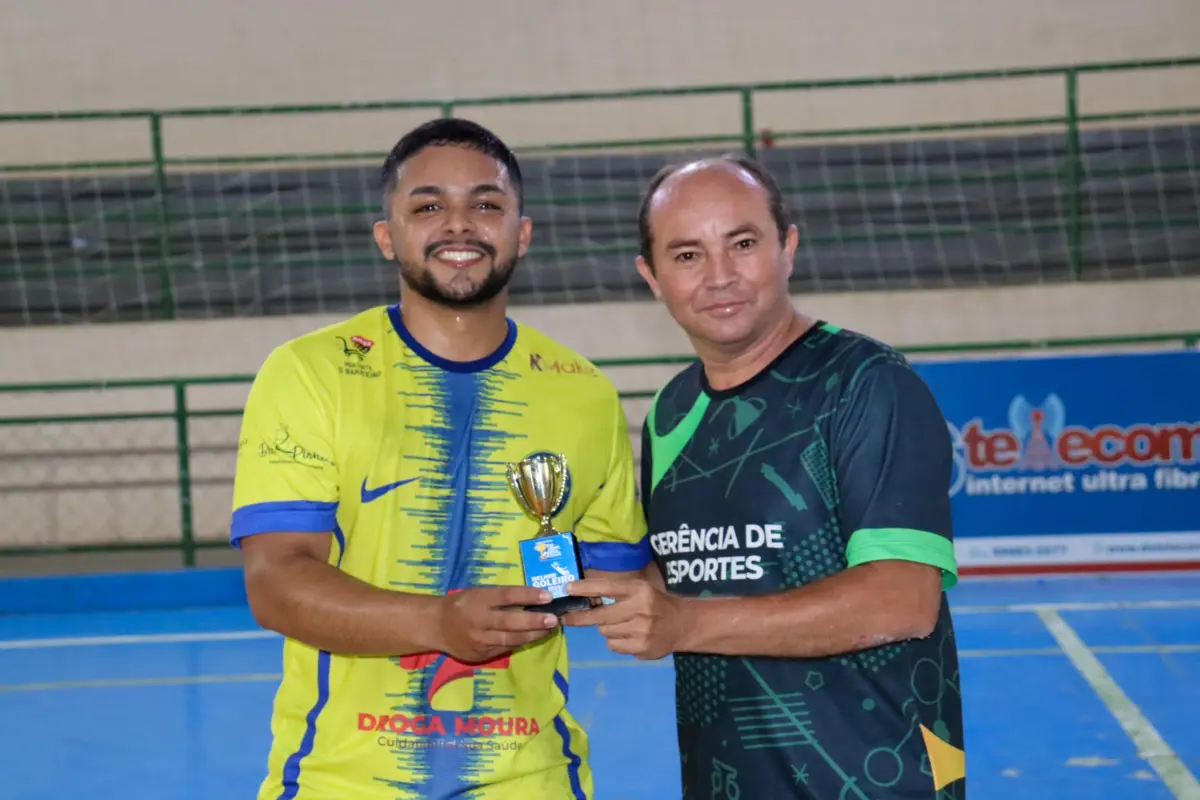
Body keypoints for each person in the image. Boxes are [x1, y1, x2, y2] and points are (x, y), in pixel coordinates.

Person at [230, 117, 651, 800]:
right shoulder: (309, 372)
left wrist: (643, 597)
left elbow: (607, 578)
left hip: (533, 781)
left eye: (486, 204)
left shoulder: (583, 391)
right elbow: (275, 581)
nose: (459, 224)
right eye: (428, 207)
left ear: (521, 232)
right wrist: (440, 623)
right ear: (386, 235)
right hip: (343, 784)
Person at [564, 155, 967, 799]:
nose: (719, 276)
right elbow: (690, 576)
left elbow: (902, 599)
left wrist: (681, 624)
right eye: (688, 255)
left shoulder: (867, 384)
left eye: (743, 244)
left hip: (875, 781)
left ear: (789, 247)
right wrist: (578, 583)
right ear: (652, 277)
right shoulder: (671, 411)